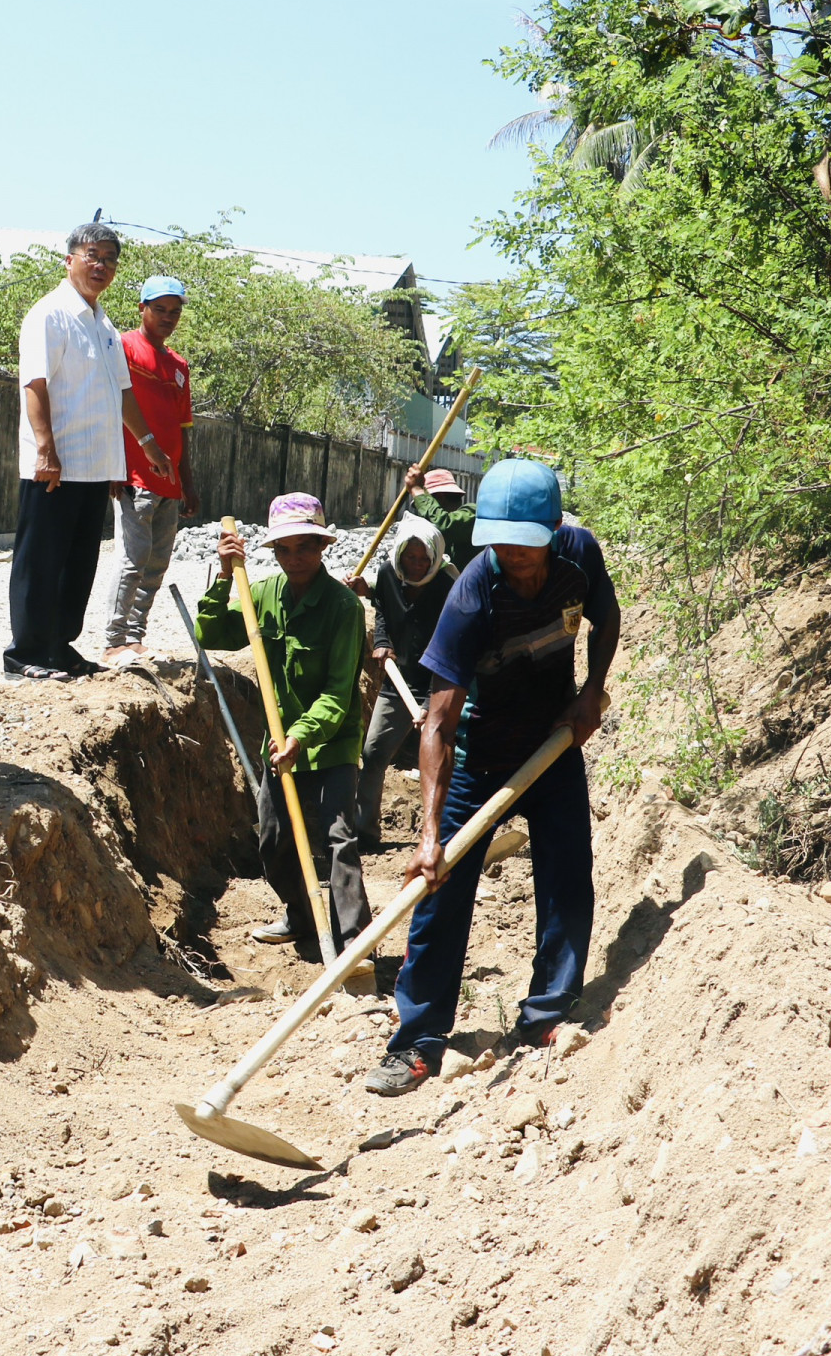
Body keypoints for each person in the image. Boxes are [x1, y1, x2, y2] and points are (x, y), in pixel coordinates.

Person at [365, 459, 621, 1097]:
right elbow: (437, 724)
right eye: (501, 546)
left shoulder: (578, 554)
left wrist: (592, 692)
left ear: (554, 530)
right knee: (440, 892)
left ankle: (545, 1017)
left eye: (526, 547)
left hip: (553, 745)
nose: (515, 559)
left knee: (566, 881)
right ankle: (418, 1043)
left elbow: (606, 620)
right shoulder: (472, 592)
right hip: (478, 755)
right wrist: (428, 834)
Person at [196, 493, 371, 958]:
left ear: (322, 547)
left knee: (339, 839)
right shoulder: (263, 596)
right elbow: (209, 635)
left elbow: (337, 695)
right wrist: (224, 576)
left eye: (305, 548)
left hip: (330, 740)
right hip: (279, 742)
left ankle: (354, 942)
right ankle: (301, 914)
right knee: (274, 839)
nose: (295, 559)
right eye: (284, 550)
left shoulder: (343, 609)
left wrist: (302, 736)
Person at [6, 223, 175, 681]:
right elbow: (35, 384)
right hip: (56, 465)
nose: (102, 266)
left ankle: (59, 648)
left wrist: (147, 444)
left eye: (110, 260)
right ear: (70, 259)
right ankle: (24, 655)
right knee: (40, 560)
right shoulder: (50, 314)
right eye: (93, 255)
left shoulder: (101, 324)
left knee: (77, 564)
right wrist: (45, 449)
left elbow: (122, 393)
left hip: (95, 465)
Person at [102, 275, 199, 665]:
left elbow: (182, 429)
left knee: (157, 561)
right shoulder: (123, 348)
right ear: (142, 308)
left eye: (174, 312)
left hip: (169, 483)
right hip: (134, 475)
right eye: (159, 309)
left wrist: (188, 483)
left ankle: (135, 636)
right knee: (132, 556)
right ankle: (113, 640)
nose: (167, 317)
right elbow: (110, 407)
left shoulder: (178, 366)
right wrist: (113, 465)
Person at [348, 513, 454, 850]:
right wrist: (382, 641)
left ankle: (445, 834)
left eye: (425, 559)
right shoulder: (387, 575)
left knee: (438, 758)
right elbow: (382, 608)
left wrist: (436, 703)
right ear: (400, 556)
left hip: (438, 683)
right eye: (411, 557)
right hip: (398, 681)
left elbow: (457, 639)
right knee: (373, 751)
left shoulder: (448, 585)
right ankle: (365, 831)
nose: (418, 565)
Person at [399, 464, 478, 571]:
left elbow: (444, 525)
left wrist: (417, 490)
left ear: (440, 497)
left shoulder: (472, 514)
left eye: (425, 504)